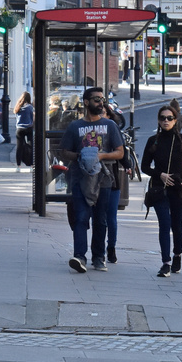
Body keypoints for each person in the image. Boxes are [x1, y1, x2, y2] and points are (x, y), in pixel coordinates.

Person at [60, 87, 124, 273]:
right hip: (80, 179)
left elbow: (120, 152)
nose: (100, 103)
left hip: (103, 179)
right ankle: (79, 256)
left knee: (100, 219)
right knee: (80, 217)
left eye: (102, 99)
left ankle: (98, 257)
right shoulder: (75, 127)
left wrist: (101, 156)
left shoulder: (110, 126)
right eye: (96, 99)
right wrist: (81, 155)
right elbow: (64, 151)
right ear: (86, 102)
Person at [141, 105, 182, 278]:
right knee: (164, 225)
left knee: (176, 225)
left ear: (175, 120)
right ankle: (165, 263)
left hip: (178, 189)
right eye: (163, 118)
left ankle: (177, 254)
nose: (166, 121)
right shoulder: (153, 141)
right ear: (158, 120)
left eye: (169, 118)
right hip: (159, 189)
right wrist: (160, 175)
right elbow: (144, 166)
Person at [102, 103, 130, 264]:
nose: (102, 117)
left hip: (112, 179)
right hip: (94, 180)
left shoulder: (113, 129)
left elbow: (123, 152)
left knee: (111, 217)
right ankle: (98, 249)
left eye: (105, 113)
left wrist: (127, 166)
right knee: (99, 217)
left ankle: (111, 247)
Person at [14, 91, 34, 173]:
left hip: (19, 129)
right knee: (30, 147)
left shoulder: (17, 107)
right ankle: (31, 166)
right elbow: (32, 117)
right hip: (28, 128)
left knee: (19, 148)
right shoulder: (29, 107)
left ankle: (18, 166)